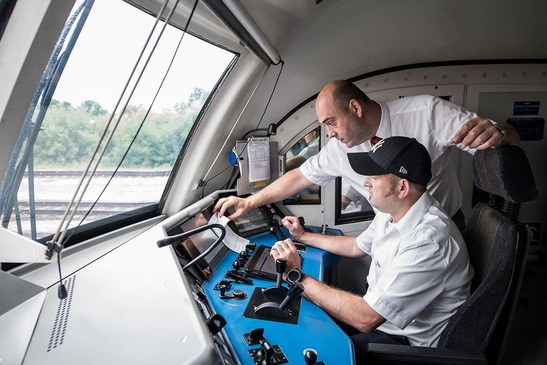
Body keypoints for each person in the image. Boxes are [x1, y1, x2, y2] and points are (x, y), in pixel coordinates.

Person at [214, 80, 520, 231]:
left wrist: (501, 134)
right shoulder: (341, 148)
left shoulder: (427, 112)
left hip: (441, 225)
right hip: (388, 231)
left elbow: (507, 138)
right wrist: (249, 201)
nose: (330, 133)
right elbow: (300, 175)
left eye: (331, 123)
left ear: (356, 109)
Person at [269, 136, 473, 363]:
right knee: (305, 320)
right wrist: (303, 236)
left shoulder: (429, 241)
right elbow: (357, 246)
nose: (365, 182)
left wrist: (297, 276)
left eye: (374, 177)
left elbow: (366, 318)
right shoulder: (394, 211)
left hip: (401, 344)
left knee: (308, 352)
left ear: (402, 187)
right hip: (380, 319)